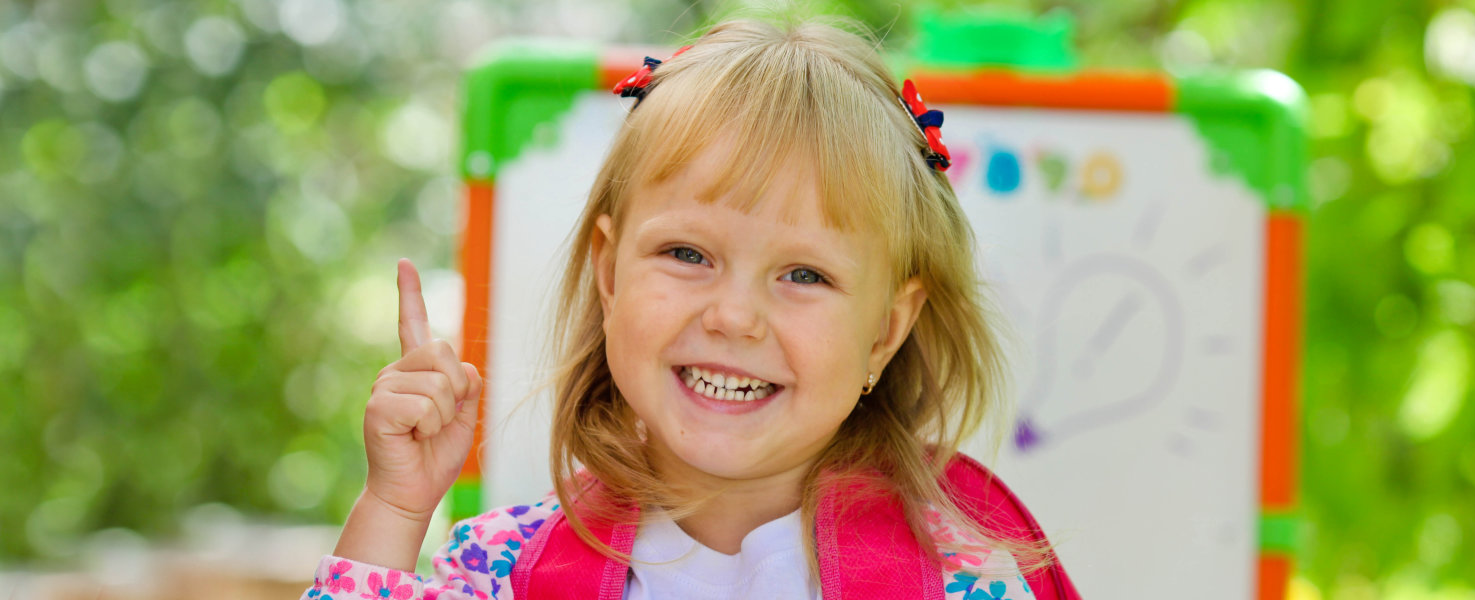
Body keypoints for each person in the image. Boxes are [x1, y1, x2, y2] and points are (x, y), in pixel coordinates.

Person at [302, 15, 1077, 600]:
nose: (734, 316)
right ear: (609, 274)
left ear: (885, 331)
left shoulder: (970, 578)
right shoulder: (512, 568)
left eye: (803, 274)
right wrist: (396, 508)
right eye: (688, 255)